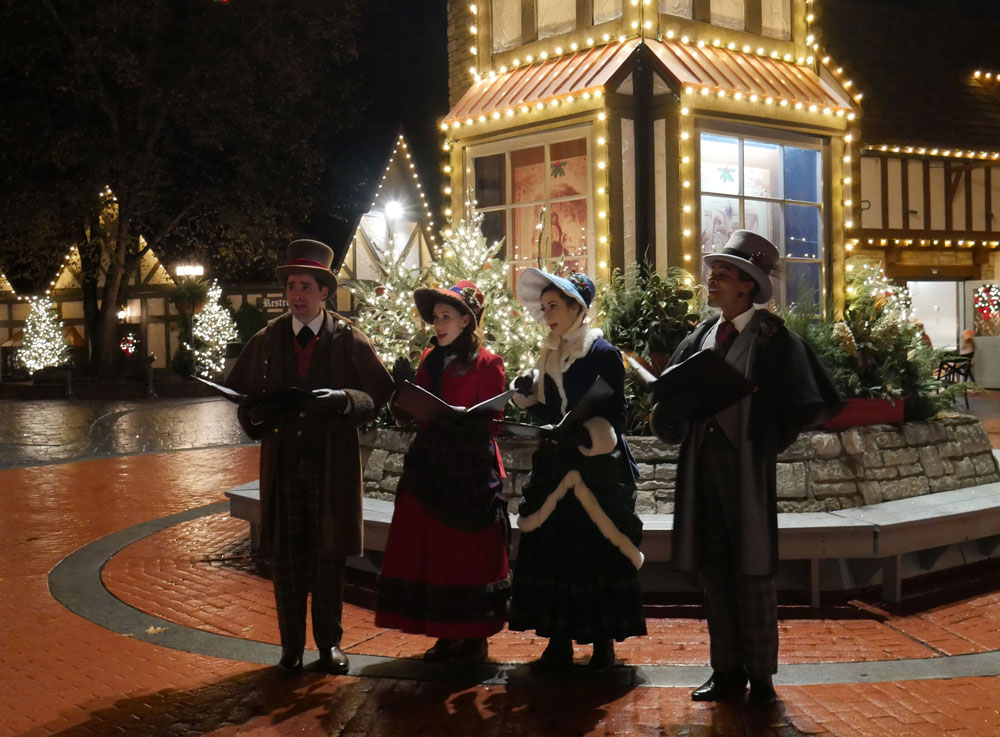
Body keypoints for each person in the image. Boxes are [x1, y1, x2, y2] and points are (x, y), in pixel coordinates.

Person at [650, 230, 841, 706]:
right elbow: (672, 399)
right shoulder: (700, 337)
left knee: (753, 572)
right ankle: (725, 669)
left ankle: (762, 677)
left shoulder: (775, 339)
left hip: (745, 472)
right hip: (701, 468)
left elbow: (803, 402)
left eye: (723, 275)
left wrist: (762, 440)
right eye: (712, 274)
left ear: (748, 286)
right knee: (714, 569)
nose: (711, 281)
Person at [226, 239, 394, 676]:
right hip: (282, 464)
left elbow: (379, 393)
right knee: (286, 555)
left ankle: (330, 645)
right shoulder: (266, 340)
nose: (297, 294)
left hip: (331, 462)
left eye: (307, 286)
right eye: (292, 286)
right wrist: (258, 414)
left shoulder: (348, 339)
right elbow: (243, 397)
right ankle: (291, 647)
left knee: (328, 554)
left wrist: (343, 399)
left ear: (325, 292)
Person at [508, 268, 646, 673]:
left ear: (577, 308)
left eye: (555, 306)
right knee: (555, 549)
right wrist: (526, 398)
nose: (547, 313)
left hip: (596, 467)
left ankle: (603, 643)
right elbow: (550, 409)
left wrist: (592, 433)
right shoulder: (548, 352)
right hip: (556, 462)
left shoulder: (602, 352)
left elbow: (617, 412)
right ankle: (558, 640)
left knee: (596, 548)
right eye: (545, 306)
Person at [375, 281, 511, 663]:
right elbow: (412, 411)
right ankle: (444, 633)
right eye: (435, 317)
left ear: (467, 320)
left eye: (446, 316)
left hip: (469, 467)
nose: (438, 324)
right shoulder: (428, 359)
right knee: (432, 550)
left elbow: (495, 421)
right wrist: (399, 395)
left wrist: (470, 424)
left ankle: (473, 637)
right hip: (430, 462)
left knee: (467, 552)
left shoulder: (487, 361)